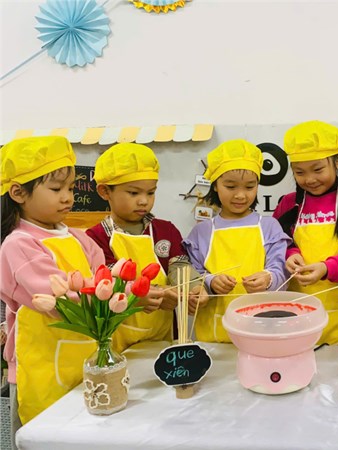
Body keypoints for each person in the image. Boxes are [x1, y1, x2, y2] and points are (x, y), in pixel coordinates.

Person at [0, 136, 105, 439]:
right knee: (43, 436)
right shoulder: (19, 244)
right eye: (56, 189)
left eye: (70, 188)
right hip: (40, 363)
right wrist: (110, 296)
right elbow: (61, 301)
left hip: (84, 352)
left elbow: (103, 279)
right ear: (18, 193)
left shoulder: (78, 237)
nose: (67, 198)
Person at [86, 143, 204, 352]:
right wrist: (144, 295)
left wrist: (193, 288)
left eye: (151, 193)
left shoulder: (166, 231)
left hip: (165, 337)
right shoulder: (95, 238)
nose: (143, 201)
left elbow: (179, 266)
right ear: (105, 191)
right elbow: (104, 286)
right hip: (116, 342)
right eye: (133, 193)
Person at [273, 120, 338, 346]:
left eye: (318, 169)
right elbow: (278, 242)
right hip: (298, 313)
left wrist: (327, 268)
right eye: (299, 172)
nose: (309, 179)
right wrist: (290, 254)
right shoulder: (288, 203)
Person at [183, 139, 291, 343]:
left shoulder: (269, 226)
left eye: (250, 186)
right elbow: (192, 274)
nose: (240, 195)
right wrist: (210, 282)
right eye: (230, 186)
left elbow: (282, 272)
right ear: (215, 185)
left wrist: (268, 279)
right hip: (214, 334)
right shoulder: (201, 232)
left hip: (262, 330)